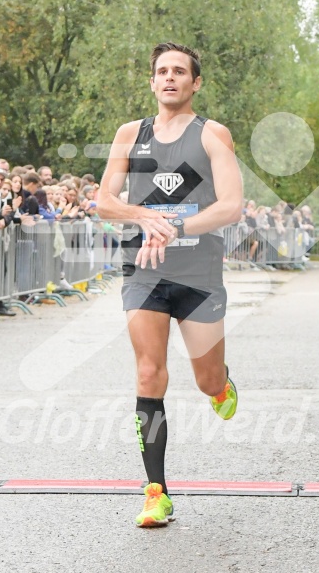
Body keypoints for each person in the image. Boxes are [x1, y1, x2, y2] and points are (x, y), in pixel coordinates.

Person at [97, 42, 242, 528]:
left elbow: (230, 206)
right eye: (162, 71)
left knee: (206, 380)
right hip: (145, 270)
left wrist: (176, 227)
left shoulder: (212, 134)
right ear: (152, 81)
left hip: (199, 273)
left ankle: (221, 385)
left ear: (195, 83)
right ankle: (155, 492)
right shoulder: (128, 134)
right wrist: (146, 217)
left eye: (180, 71)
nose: (170, 78)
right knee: (148, 373)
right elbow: (104, 201)